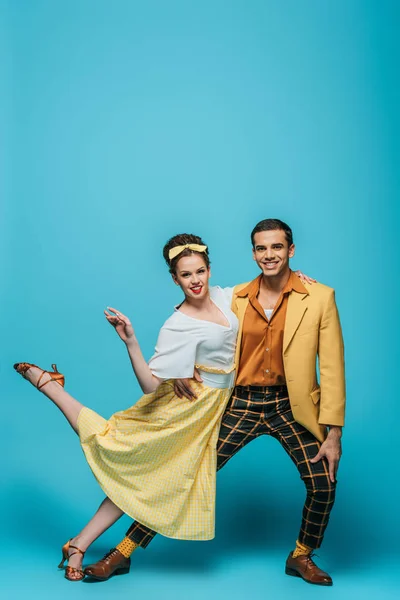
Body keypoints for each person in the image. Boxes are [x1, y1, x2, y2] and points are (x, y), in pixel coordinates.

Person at [86, 219, 345, 587]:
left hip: (292, 405)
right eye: (261, 248)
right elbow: (204, 329)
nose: (269, 255)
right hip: (240, 402)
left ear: (291, 250)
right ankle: (123, 551)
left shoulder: (319, 297)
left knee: (324, 483)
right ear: (253, 253)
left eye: (277, 247)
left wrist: (333, 432)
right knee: (182, 474)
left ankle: (302, 555)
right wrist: (183, 370)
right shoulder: (234, 296)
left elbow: (332, 368)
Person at [14, 233, 242, 581]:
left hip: (208, 413)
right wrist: (131, 341)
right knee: (113, 444)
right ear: (174, 278)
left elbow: (265, 287)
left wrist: (298, 279)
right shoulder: (177, 324)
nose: (195, 281)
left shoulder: (227, 298)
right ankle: (50, 386)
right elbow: (151, 386)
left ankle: (77, 543)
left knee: (140, 484)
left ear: (210, 270)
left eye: (200, 272)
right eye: (185, 275)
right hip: (182, 413)